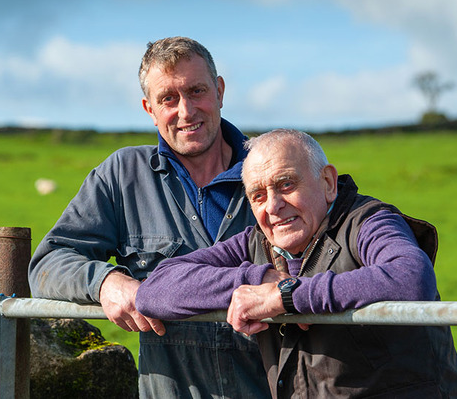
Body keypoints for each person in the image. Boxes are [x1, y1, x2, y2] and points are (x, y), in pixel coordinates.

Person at [28, 36, 271, 398]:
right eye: (168, 99)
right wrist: (107, 282)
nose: (186, 111)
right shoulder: (123, 176)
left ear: (219, 91)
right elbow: (48, 262)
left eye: (197, 91)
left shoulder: (272, 167)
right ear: (149, 109)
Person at [136, 128, 457, 398]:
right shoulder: (255, 244)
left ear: (328, 183)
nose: (273, 206)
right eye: (258, 196)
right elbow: (154, 290)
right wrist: (255, 280)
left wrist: (285, 296)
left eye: (286, 184)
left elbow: (411, 277)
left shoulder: (369, 222)